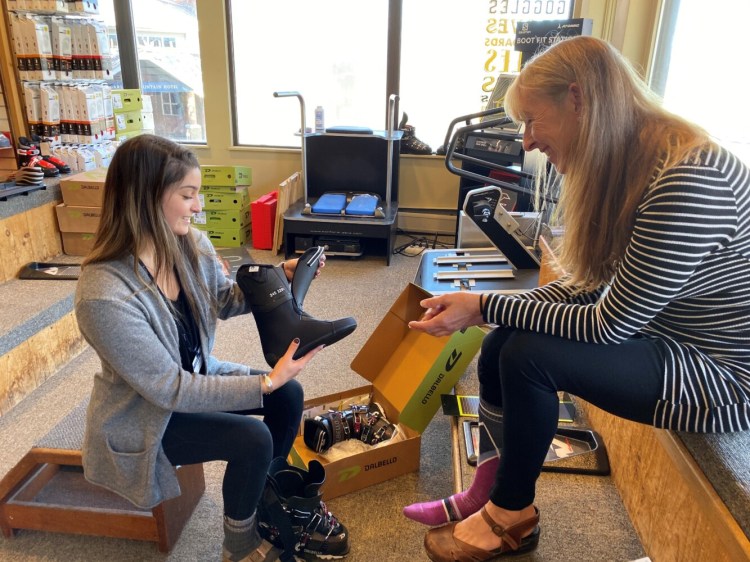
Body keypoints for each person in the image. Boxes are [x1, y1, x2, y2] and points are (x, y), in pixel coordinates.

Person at [404, 35, 750, 561]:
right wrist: (489, 309)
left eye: (533, 120)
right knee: (502, 344)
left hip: (719, 374)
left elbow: (610, 324)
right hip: (661, 333)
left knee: (528, 356)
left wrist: (482, 304)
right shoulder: (635, 164)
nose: (526, 141)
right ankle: (488, 491)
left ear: (579, 99)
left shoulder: (687, 176)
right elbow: (592, 284)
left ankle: (510, 515)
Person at [74, 134, 345, 562]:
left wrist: (278, 279)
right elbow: (169, 390)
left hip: (193, 376)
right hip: (146, 416)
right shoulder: (103, 296)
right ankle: (238, 545)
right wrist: (265, 381)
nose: (198, 207)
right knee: (253, 436)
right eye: (188, 196)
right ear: (147, 198)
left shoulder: (190, 244)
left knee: (288, 394)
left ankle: (263, 504)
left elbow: (223, 298)